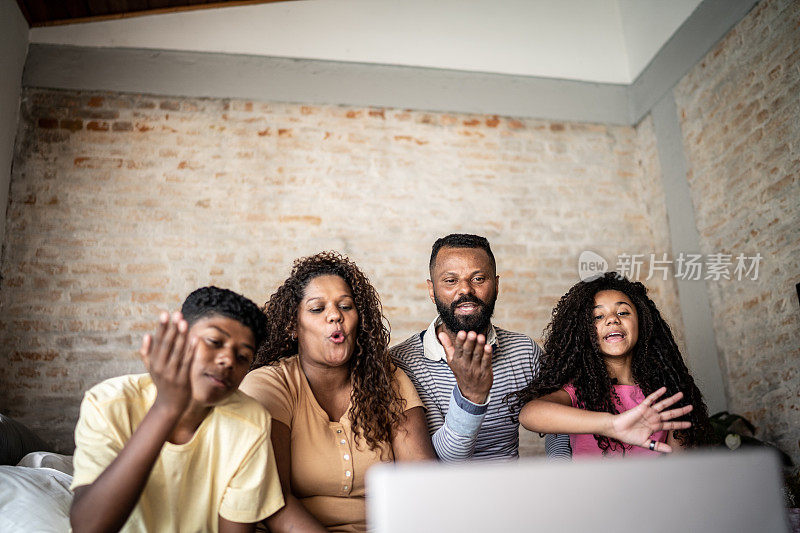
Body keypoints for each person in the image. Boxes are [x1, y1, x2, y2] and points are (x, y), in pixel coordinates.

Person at [240, 252, 435, 533]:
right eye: (317, 309)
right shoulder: (270, 384)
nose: (335, 316)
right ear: (293, 326)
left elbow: (421, 482)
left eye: (346, 306)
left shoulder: (386, 378)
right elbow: (274, 500)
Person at [70, 287, 284, 533]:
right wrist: (166, 408)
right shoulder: (108, 403)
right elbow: (88, 526)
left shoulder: (251, 420)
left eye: (243, 356)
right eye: (214, 342)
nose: (228, 359)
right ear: (179, 337)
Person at [390, 233, 570, 461]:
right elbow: (441, 462)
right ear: (431, 290)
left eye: (478, 279)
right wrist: (471, 396)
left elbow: (561, 423)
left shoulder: (524, 351)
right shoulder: (402, 364)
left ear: (496, 285)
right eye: (450, 280)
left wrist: (558, 472)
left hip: (510, 493)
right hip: (442, 495)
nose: (465, 290)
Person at [509, 272, 712, 456]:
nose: (612, 319)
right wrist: (611, 425)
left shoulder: (665, 394)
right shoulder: (579, 390)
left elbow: (679, 470)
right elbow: (530, 414)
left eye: (623, 312)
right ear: (583, 333)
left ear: (642, 323)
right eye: (598, 316)